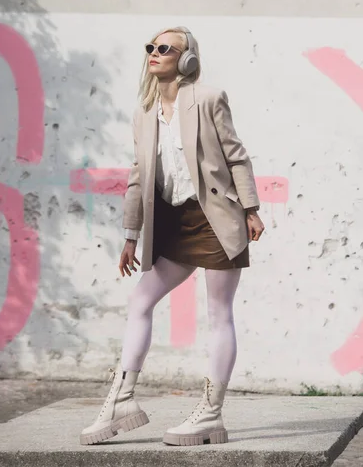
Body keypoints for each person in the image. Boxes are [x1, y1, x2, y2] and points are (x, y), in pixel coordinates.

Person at [80, 26, 265, 446]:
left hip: (216, 219)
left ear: (186, 59)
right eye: (151, 47)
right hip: (173, 223)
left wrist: (251, 209)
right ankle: (123, 398)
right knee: (140, 300)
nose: (155, 53)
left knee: (219, 313)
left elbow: (236, 155)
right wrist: (131, 235)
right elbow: (138, 177)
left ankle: (210, 414)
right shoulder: (143, 112)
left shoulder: (208, 99)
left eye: (165, 48)